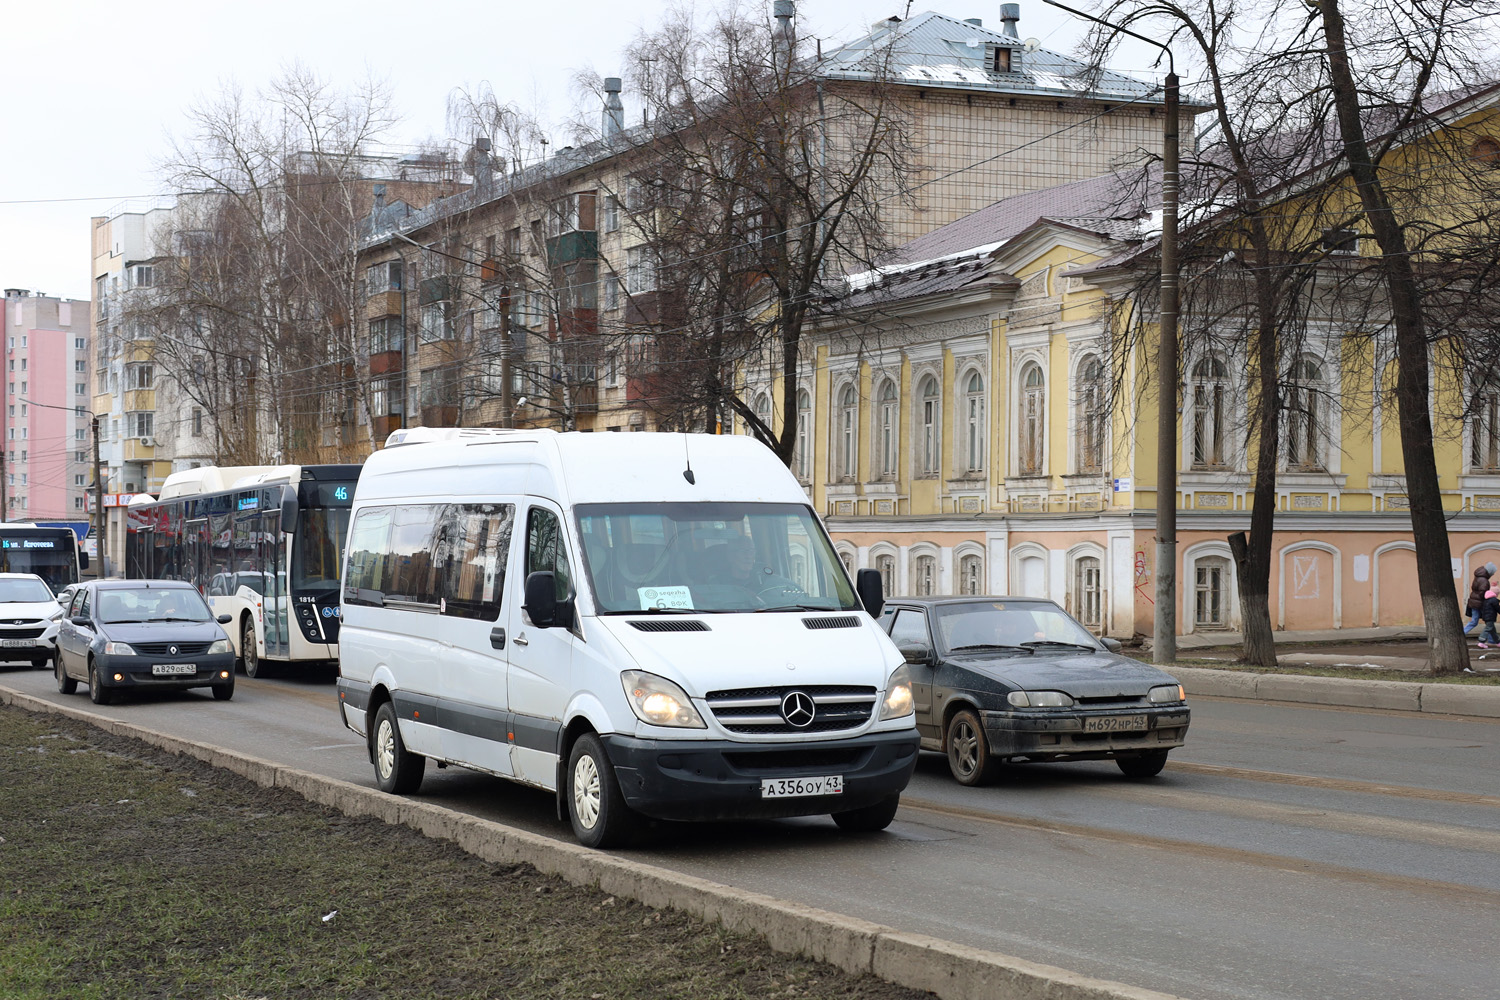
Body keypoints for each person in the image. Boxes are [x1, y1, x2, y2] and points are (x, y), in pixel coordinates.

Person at [1465, 563, 1494, 634]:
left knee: (1477, 621)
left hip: (1474, 601)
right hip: (1479, 603)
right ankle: (1463, 632)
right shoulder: (1484, 580)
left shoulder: (1478, 577)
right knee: (1487, 621)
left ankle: (1492, 638)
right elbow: (1483, 592)